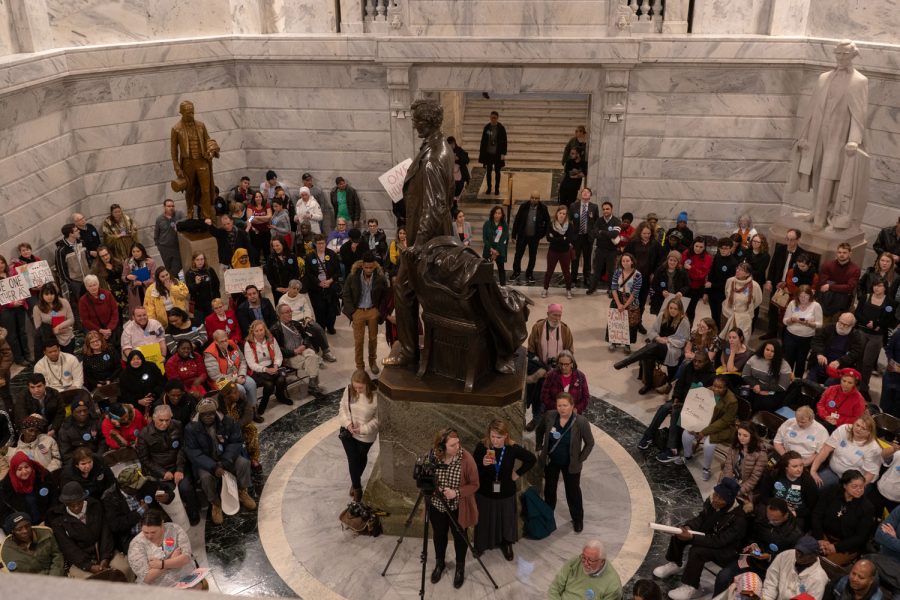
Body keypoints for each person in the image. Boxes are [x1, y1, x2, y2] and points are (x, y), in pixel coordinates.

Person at [791, 41, 869, 230]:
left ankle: (820, 218)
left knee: (828, 175)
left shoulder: (859, 81)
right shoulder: (823, 78)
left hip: (839, 136)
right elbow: (812, 109)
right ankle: (816, 211)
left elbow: (859, 115)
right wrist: (805, 135)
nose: (841, 57)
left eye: (845, 54)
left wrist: (854, 139)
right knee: (816, 172)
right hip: (818, 134)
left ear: (853, 55)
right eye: (838, 53)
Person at [652, 477, 745, 600]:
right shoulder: (712, 502)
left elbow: (720, 541)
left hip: (726, 550)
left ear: (729, 500)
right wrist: (688, 527)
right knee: (679, 533)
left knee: (697, 551)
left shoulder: (739, 518)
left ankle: (692, 586)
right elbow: (701, 519)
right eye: (716, 494)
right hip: (709, 536)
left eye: (720, 498)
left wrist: (692, 537)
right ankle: (675, 563)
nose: (715, 499)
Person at [184, 397, 256, 525]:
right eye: (205, 414)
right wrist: (213, 466)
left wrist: (225, 461)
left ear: (215, 411)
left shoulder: (227, 421)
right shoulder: (191, 428)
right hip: (205, 462)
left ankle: (242, 491)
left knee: (243, 463)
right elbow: (194, 453)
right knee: (205, 477)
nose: (209, 416)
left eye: (211, 413)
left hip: (226, 457)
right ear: (199, 414)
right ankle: (215, 503)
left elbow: (236, 441)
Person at [472, 418, 536, 560]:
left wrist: (517, 474)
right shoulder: (482, 447)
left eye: (499, 437)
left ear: (506, 435)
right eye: (492, 436)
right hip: (485, 492)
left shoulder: (512, 449)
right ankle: (480, 544)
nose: (495, 440)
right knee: (483, 520)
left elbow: (531, 459)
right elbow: (473, 470)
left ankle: (506, 543)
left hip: (506, 492)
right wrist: (482, 463)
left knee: (506, 520)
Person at [713, 498, 804, 595]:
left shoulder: (795, 535)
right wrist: (752, 544)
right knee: (723, 576)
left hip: (770, 570)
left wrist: (769, 557)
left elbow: (789, 561)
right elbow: (751, 535)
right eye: (769, 517)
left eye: (775, 520)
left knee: (750, 592)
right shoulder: (762, 516)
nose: (770, 522)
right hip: (750, 559)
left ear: (785, 515)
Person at [427, 427, 479, 589]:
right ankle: (440, 563)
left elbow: (475, 485)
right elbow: (427, 478)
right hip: (437, 506)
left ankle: (460, 567)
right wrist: (436, 488)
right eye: (452, 445)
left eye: (458, 443)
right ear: (442, 447)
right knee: (439, 534)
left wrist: (456, 492)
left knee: (460, 537)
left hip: (458, 507)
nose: (457, 447)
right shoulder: (433, 456)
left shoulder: (466, 459)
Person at [48, 481, 132, 579]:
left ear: (84, 499)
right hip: (80, 560)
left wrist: (105, 557)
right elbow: (69, 548)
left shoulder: (95, 506)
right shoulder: (57, 519)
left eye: (79, 503)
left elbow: (106, 534)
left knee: (124, 568)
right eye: (71, 505)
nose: (76, 507)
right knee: (88, 581)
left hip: (104, 551)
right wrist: (88, 566)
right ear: (65, 504)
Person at [536, 392, 594, 533]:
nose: (562, 408)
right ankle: (548, 516)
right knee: (550, 490)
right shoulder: (550, 416)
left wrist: (580, 459)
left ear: (572, 406)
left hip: (571, 464)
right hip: (551, 461)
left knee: (573, 492)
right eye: (559, 405)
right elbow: (540, 430)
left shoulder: (580, 422)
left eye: (565, 405)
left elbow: (590, 443)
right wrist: (539, 447)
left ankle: (578, 519)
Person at [135, 404, 199, 526]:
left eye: (167, 420)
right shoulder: (144, 434)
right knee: (168, 495)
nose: (164, 423)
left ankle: (193, 514)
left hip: (178, 465)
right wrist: (163, 473)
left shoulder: (178, 425)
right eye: (161, 420)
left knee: (186, 488)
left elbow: (182, 448)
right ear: (154, 418)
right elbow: (145, 459)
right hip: (160, 470)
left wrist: (180, 469)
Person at [638, 352, 715, 452]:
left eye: (699, 362)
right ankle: (648, 435)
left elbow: (704, 400)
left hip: (695, 407)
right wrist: (676, 398)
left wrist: (683, 405)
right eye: (695, 360)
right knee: (664, 407)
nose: (696, 363)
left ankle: (672, 449)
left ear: (706, 362)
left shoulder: (711, 377)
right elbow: (679, 384)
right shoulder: (689, 367)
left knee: (675, 412)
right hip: (681, 399)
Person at [613, 296, 691, 395]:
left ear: (680, 309)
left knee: (654, 347)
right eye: (671, 308)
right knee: (648, 355)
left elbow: (683, 340)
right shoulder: (663, 315)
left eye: (675, 309)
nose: (672, 311)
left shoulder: (684, 321)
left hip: (672, 349)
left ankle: (627, 361)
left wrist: (667, 340)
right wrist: (658, 338)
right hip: (658, 344)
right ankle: (648, 384)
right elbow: (652, 331)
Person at [666, 377, 738, 476]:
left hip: (723, 427)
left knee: (709, 444)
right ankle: (687, 456)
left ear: (726, 388)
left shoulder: (732, 401)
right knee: (686, 434)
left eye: (720, 387)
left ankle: (706, 468)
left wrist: (704, 432)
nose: (716, 389)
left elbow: (724, 421)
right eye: (714, 386)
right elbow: (695, 404)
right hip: (705, 421)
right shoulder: (709, 390)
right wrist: (691, 420)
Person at [525, 304, 574, 430]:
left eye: (559, 315)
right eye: (554, 315)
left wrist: (561, 367)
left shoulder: (565, 330)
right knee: (538, 397)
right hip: (540, 370)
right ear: (548, 314)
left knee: (555, 398)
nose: (557, 318)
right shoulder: (538, 327)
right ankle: (536, 419)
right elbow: (530, 351)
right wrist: (541, 369)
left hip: (558, 371)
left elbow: (570, 352)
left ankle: (552, 422)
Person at [811, 469, 875, 565]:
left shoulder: (867, 507)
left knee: (823, 565)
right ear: (845, 485)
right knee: (805, 554)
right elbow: (817, 514)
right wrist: (819, 538)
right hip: (823, 536)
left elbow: (860, 536)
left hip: (844, 545)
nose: (859, 490)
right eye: (854, 486)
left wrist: (836, 547)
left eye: (862, 486)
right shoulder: (831, 492)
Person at [342, 252, 388, 375]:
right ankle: (360, 366)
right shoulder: (353, 276)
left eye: (371, 267)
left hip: (373, 310)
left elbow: (385, 295)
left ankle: (372, 362)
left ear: (374, 266)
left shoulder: (380, 277)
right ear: (362, 266)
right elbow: (346, 294)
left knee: (373, 339)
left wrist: (379, 310)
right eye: (366, 267)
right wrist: (352, 312)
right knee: (358, 341)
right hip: (358, 311)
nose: (368, 270)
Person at [338, 370, 379, 502]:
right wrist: (348, 424)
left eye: (360, 387)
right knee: (353, 459)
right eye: (355, 387)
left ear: (367, 384)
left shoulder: (376, 397)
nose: (357, 390)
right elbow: (342, 408)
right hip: (348, 433)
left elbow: (378, 419)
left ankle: (355, 480)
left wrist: (363, 429)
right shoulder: (349, 390)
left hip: (365, 437)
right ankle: (357, 488)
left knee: (361, 458)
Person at [127, 511, 198, 587]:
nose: (149, 536)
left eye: (153, 532)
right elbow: (147, 577)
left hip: (185, 577)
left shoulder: (175, 529)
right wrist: (172, 560)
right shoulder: (136, 544)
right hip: (160, 587)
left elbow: (185, 558)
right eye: (145, 532)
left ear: (162, 524)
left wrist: (161, 564)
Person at [810, 415, 882, 489]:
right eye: (857, 425)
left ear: (869, 433)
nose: (858, 429)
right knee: (812, 484)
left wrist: (855, 487)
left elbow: (870, 474)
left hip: (852, 481)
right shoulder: (844, 429)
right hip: (832, 471)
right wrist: (813, 471)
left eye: (863, 428)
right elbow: (825, 450)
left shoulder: (874, 448)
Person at [763, 229, 807, 340]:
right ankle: (771, 332)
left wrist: (788, 285)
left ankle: (784, 337)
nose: (789, 242)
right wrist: (769, 281)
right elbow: (772, 266)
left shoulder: (802, 254)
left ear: (798, 240)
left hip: (791, 288)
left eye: (792, 240)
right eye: (787, 239)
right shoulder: (780, 249)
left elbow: (801, 274)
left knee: (787, 312)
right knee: (772, 310)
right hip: (777, 285)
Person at [758, 451, 819, 529]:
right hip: (775, 508)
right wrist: (773, 507)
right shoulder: (774, 475)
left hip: (796, 513)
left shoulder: (807, 481)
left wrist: (796, 513)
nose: (799, 469)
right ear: (786, 467)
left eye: (801, 465)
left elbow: (812, 506)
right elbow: (764, 495)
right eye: (795, 466)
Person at [244, 319, 292, 415]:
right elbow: (251, 364)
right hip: (258, 370)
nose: (259, 333)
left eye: (261, 330)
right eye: (256, 331)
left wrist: (275, 366)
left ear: (264, 329)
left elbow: (278, 356)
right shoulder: (248, 343)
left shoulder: (271, 339)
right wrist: (265, 369)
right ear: (252, 332)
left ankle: (280, 396)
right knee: (269, 385)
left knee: (281, 380)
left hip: (272, 366)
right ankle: (264, 402)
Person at [855, 276, 895, 390]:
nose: (876, 288)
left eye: (879, 286)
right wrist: (867, 322)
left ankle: (863, 387)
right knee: (858, 359)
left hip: (876, 335)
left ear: (885, 288)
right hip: (862, 331)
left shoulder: (889, 302)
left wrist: (877, 324)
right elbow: (858, 313)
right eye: (875, 285)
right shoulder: (865, 297)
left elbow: (889, 319)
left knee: (867, 362)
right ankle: (854, 382)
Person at [760, 536, 830, 600]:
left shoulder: (819, 578)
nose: (798, 555)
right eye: (798, 551)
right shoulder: (785, 555)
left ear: (814, 555)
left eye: (803, 553)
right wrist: (767, 598)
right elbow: (771, 582)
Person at [548, 540, 623, 600]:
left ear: (602, 561)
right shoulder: (575, 562)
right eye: (584, 558)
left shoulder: (613, 586)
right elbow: (555, 587)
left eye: (590, 560)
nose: (585, 563)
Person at [272, 304, 322, 394]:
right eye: (287, 312)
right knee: (314, 359)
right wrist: (293, 351)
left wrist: (304, 345)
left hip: (303, 349)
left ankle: (312, 385)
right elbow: (277, 349)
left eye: (290, 311)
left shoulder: (295, 324)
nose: (290, 313)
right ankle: (313, 385)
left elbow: (306, 337)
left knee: (311, 356)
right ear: (280, 314)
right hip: (289, 356)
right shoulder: (275, 329)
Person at [204, 329, 258, 410]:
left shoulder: (232, 343)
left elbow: (242, 360)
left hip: (238, 374)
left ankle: (253, 408)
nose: (225, 343)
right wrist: (236, 380)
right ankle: (245, 410)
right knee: (239, 389)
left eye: (226, 339)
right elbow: (215, 376)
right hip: (222, 381)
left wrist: (242, 374)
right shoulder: (210, 353)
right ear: (216, 342)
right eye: (222, 341)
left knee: (252, 384)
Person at [0, 454, 58, 527]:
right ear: (14, 470)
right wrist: (22, 526)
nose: (24, 471)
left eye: (26, 467)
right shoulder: (6, 487)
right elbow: (4, 514)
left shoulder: (43, 476)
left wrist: (47, 520)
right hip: (22, 527)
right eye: (19, 469)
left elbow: (54, 498)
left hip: (48, 520)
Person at [0, 512, 65, 576]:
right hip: (33, 582)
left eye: (27, 526)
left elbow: (57, 555)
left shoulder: (46, 533)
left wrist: (53, 577)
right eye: (19, 529)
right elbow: (17, 576)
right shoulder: (6, 550)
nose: (25, 531)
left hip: (57, 575)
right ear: (12, 531)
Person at [806, 313, 864, 384]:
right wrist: (819, 354)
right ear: (838, 320)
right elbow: (816, 341)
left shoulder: (856, 336)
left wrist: (839, 361)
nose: (842, 326)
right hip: (821, 362)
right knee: (809, 382)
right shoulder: (829, 328)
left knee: (830, 384)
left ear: (852, 326)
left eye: (845, 325)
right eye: (840, 323)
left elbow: (855, 353)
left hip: (840, 367)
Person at [720, 421, 769, 499]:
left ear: (752, 436)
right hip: (730, 478)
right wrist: (727, 481)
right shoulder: (735, 444)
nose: (741, 438)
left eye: (745, 435)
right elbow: (728, 464)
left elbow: (753, 479)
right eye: (739, 434)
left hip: (743, 486)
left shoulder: (761, 455)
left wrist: (738, 491)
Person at [782, 285, 822, 377]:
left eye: (805, 296)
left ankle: (797, 382)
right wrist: (792, 319)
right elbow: (785, 321)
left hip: (806, 338)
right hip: (790, 336)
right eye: (800, 296)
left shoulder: (816, 306)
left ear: (810, 296)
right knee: (788, 360)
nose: (803, 298)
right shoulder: (792, 303)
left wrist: (809, 323)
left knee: (801, 361)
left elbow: (820, 324)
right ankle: (786, 380)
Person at [218, 382, 260, 470]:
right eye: (234, 392)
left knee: (251, 428)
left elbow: (249, 414)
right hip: (226, 430)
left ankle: (253, 457)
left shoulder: (241, 397)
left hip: (238, 424)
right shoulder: (219, 405)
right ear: (226, 396)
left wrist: (238, 425)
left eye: (237, 390)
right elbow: (220, 425)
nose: (238, 393)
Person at [304, 235, 341, 334]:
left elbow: (338, 271)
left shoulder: (332, 254)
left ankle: (330, 327)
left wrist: (330, 280)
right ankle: (321, 328)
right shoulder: (309, 257)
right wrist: (318, 283)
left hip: (330, 286)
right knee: (319, 309)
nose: (321, 245)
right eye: (319, 243)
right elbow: (308, 273)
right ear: (315, 244)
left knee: (331, 309)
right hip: (316, 288)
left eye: (323, 243)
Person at [627, 222, 664, 319]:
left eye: (648, 233)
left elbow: (660, 261)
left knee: (642, 301)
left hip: (646, 277)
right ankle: (629, 321)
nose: (647, 236)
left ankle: (638, 322)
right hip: (633, 276)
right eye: (644, 233)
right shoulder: (632, 243)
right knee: (630, 300)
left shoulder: (655, 244)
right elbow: (626, 257)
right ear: (639, 232)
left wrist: (654, 273)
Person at [741, 340, 792, 412]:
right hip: (754, 386)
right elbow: (745, 375)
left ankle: (756, 418)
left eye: (772, 351)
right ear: (763, 349)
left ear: (777, 353)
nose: (769, 353)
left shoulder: (784, 365)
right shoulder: (754, 358)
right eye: (767, 349)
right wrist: (756, 385)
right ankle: (745, 415)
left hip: (773, 390)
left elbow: (782, 387)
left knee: (762, 403)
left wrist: (761, 387)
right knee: (742, 393)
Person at [511, 192, 550, 284]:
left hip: (534, 237)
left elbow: (547, 222)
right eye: (532, 197)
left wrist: (542, 234)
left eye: (536, 198)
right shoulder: (524, 206)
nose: (534, 200)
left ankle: (529, 273)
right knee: (518, 255)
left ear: (539, 199)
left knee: (532, 256)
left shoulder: (543, 208)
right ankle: (516, 271)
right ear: (530, 198)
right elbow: (517, 220)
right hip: (522, 236)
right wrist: (513, 235)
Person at [607, 253, 643, 351]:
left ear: (632, 262)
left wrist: (625, 305)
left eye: (627, 261)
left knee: (630, 323)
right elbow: (613, 288)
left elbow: (635, 292)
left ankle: (627, 344)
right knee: (616, 321)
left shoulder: (637, 275)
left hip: (631, 301)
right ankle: (614, 341)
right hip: (617, 298)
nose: (625, 263)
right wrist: (618, 304)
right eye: (623, 261)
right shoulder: (618, 272)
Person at [819, 243, 861, 325]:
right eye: (839, 252)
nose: (841, 255)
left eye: (844, 253)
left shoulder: (855, 269)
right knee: (821, 328)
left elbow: (850, 287)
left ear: (850, 253)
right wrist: (841, 286)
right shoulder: (827, 265)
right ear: (836, 253)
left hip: (842, 305)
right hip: (825, 302)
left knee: (835, 329)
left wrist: (830, 286)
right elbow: (822, 284)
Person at [587, 200, 622, 295]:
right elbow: (594, 233)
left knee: (611, 271)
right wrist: (607, 234)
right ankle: (593, 288)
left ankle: (611, 289)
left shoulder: (617, 221)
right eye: (604, 209)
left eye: (607, 209)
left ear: (611, 209)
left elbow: (615, 233)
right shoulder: (599, 220)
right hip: (600, 250)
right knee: (597, 270)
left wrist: (602, 232)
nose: (605, 211)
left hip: (611, 251)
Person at [721, 261, 762, 338]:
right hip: (727, 314)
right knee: (725, 340)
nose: (737, 271)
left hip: (743, 317)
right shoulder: (730, 281)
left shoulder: (755, 286)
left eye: (741, 270)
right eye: (737, 269)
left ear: (747, 274)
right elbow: (727, 294)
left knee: (739, 340)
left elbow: (758, 301)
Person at [541, 350, 590, 414]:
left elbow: (586, 397)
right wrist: (558, 407)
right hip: (554, 414)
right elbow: (544, 395)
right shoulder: (551, 375)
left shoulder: (580, 376)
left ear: (572, 364)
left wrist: (576, 409)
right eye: (561, 364)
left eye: (566, 364)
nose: (563, 367)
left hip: (573, 415)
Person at [542, 204, 576, 298]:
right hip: (553, 251)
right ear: (557, 213)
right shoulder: (551, 224)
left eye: (564, 214)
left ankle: (568, 290)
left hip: (565, 252)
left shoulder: (570, 225)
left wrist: (556, 238)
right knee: (549, 271)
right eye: (560, 213)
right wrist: (562, 238)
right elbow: (549, 238)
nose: (562, 215)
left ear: (566, 215)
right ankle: (545, 289)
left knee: (566, 272)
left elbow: (569, 239)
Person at [32, 282, 75, 354]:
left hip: (67, 335)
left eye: (52, 294)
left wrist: (59, 327)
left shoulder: (64, 302)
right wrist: (53, 331)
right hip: (50, 340)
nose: (49, 296)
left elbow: (71, 319)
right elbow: (39, 328)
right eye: (46, 294)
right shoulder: (37, 308)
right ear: (42, 295)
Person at [58, 396, 105, 462]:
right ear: (73, 413)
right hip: (81, 463)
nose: (83, 413)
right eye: (79, 411)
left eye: (85, 410)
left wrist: (99, 456)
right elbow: (66, 454)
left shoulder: (96, 421)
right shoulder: (65, 429)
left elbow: (104, 440)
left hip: (99, 457)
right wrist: (83, 463)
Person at [569, 188, 599, 288]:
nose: (585, 193)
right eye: (583, 191)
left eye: (588, 192)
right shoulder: (574, 206)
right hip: (576, 237)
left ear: (590, 195)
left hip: (588, 237)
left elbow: (596, 223)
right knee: (575, 258)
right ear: (580, 194)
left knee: (587, 259)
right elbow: (569, 220)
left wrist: (593, 234)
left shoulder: (594, 207)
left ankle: (587, 278)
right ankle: (573, 278)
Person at [91, 245, 129, 323]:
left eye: (106, 254)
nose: (105, 257)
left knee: (128, 316)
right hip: (110, 294)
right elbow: (96, 284)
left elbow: (125, 275)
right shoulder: (96, 268)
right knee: (117, 319)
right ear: (99, 257)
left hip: (124, 291)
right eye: (102, 256)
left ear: (110, 253)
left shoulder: (118, 262)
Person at [706, 238, 739, 328]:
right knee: (714, 315)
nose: (723, 250)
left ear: (731, 248)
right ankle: (714, 333)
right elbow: (711, 274)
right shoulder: (717, 257)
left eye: (726, 248)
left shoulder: (734, 263)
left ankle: (720, 336)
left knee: (721, 318)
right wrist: (706, 292)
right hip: (713, 292)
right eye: (721, 248)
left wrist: (713, 285)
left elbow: (729, 283)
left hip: (723, 294)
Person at [119, 349, 164, 415]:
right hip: (135, 404)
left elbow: (161, 382)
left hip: (155, 399)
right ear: (129, 361)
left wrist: (153, 394)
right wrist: (138, 401)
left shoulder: (151, 367)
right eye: (133, 359)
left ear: (142, 359)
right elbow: (124, 395)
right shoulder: (124, 375)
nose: (136, 361)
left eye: (138, 358)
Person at [54, 224, 90, 304]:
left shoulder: (81, 242)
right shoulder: (61, 250)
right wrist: (70, 282)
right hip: (76, 281)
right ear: (71, 234)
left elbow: (88, 258)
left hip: (88, 277)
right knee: (82, 303)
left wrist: (90, 271)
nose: (79, 231)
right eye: (76, 230)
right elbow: (61, 269)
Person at [78, 274, 120, 344]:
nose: (93, 288)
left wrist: (109, 329)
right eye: (90, 286)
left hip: (112, 330)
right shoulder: (83, 301)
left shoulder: (107, 294)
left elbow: (115, 311)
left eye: (94, 285)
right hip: (95, 332)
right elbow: (85, 320)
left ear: (98, 284)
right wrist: (100, 331)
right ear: (86, 287)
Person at [649, 250, 690, 315]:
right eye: (670, 260)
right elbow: (654, 285)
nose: (672, 262)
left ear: (678, 262)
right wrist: (662, 291)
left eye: (675, 261)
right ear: (667, 260)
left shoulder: (682, 271)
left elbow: (687, 285)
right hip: (661, 299)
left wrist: (681, 292)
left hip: (676, 300)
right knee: (661, 318)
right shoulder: (660, 270)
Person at [184, 251, 219, 327]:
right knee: (200, 325)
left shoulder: (209, 270)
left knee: (213, 323)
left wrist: (217, 299)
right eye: (198, 259)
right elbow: (189, 290)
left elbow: (216, 284)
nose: (200, 262)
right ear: (194, 261)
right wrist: (196, 284)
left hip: (210, 303)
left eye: (202, 259)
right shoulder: (190, 273)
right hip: (197, 306)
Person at [682, 238, 713, 323]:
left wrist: (691, 269)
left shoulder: (707, 258)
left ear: (704, 247)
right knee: (681, 308)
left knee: (690, 310)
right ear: (693, 245)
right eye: (696, 246)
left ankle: (689, 328)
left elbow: (701, 275)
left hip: (696, 288)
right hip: (683, 286)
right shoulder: (686, 253)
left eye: (701, 247)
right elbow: (680, 267)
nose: (698, 249)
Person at [479, 110, 507, 195]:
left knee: (497, 172)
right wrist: (482, 153)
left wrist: (503, 153)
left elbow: (505, 141)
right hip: (488, 154)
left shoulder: (501, 128)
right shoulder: (487, 128)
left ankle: (497, 188)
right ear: (490, 118)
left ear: (497, 118)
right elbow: (483, 141)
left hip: (497, 154)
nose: (493, 119)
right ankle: (489, 188)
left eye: (494, 118)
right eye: (491, 118)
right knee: (488, 172)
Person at [122, 243, 156, 314]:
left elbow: (154, 278)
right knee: (138, 312)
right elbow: (123, 277)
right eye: (133, 251)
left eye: (138, 251)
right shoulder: (127, 262)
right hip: (134, 291)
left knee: (150, 311)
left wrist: (142, 283)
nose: (135, 253)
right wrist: (127, 277)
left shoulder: (150, 262)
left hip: (147, 289)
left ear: (142, 251)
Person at [153, 199, 184, 275]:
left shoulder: (179, 215)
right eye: (169, 206)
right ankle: (173, 284)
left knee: (176, 268)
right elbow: (156, 233)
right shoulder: (159, 219)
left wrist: (178, 224)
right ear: (164, 207)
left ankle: (174, 282)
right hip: (164, 248)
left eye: (173, 206)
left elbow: (185, 220)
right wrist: (158, 246)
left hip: (176, 246)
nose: (171, 208)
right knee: (168, 268)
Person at [483, 205, 509, 285]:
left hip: (499, 250)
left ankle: (503, 287)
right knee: (486, 270)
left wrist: (496, 251)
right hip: (488, 249)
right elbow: (485, 238)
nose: (497, 215)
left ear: (502, 215)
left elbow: (503, 239)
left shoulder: (504, 225)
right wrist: (491, 249)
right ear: (493, 214)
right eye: (496, 213)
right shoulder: (487, 224)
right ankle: (486, 287)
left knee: (501, 269)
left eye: (499, 213)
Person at [245, 191, 272, 265]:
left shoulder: (267, 205)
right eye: (256, 197)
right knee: (256, 251)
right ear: (254, 198)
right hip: (254, 232)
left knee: (266, 250)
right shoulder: (250, 206)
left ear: (262, 197)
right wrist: (264, 219)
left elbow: (269, 217)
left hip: (265, 232)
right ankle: (256, 266)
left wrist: (256, 217)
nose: (258, 198)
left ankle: (269, 266)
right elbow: (250, 219)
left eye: (260, 196)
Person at [447, 136, 470, 203]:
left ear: (453, 144)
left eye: (450, 145)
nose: (449, 147)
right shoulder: (446, 151)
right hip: (450, 175)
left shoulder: (459, 150)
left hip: (459, 174)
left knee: (458, 188)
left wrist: (458, 159)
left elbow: (467, 160)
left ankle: (455, 202)